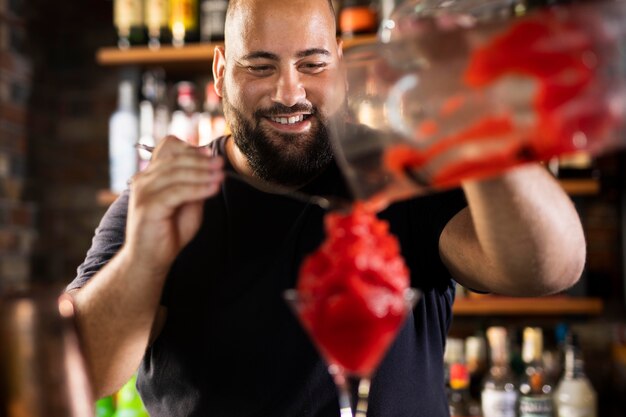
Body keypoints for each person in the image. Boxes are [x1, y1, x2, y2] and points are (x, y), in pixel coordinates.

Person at [67, 0, 586, 416]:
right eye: (260, 66)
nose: (289, 92)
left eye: (312, 64)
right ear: (221, 70)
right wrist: (145, 257)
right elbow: (78, 375)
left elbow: (551, 266)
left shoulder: (399, 169)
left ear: (338, 62)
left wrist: (480, 128)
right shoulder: (163, 197)